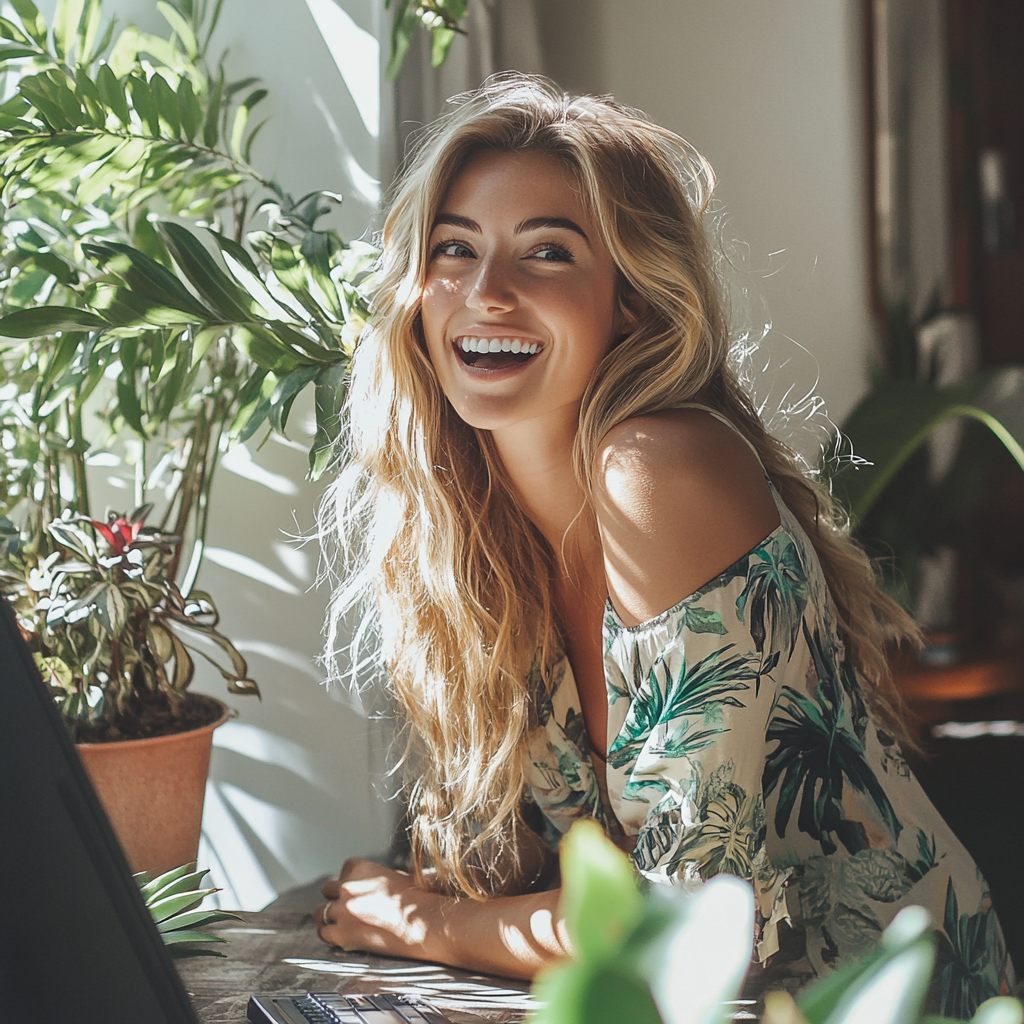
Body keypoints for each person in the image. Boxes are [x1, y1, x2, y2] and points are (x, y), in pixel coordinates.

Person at [315, 74, 1015, 1012]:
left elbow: (688, 921)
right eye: (454, 249)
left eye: (547, 253)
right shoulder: (467, 539)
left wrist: (418, 923)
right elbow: (505, 875)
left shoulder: (657, 469)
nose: (485, 292)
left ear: (632, 304)